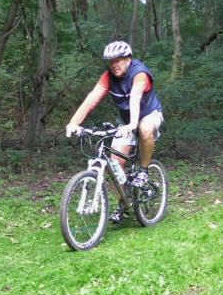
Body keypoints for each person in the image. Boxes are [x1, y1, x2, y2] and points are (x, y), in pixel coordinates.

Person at [66, 40, 164, 223]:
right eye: (111, 61)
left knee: (144, 129)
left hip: (149, 115)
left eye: (118, 60)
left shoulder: (140, 74)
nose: (114, 65)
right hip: (126, 122)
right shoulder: (108, 77)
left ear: (128, 59)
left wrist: (133, 123)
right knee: (115, 163)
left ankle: (144, 171)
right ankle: (123, 202)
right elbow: (92, 98)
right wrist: (73, 123)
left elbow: (135, 97)